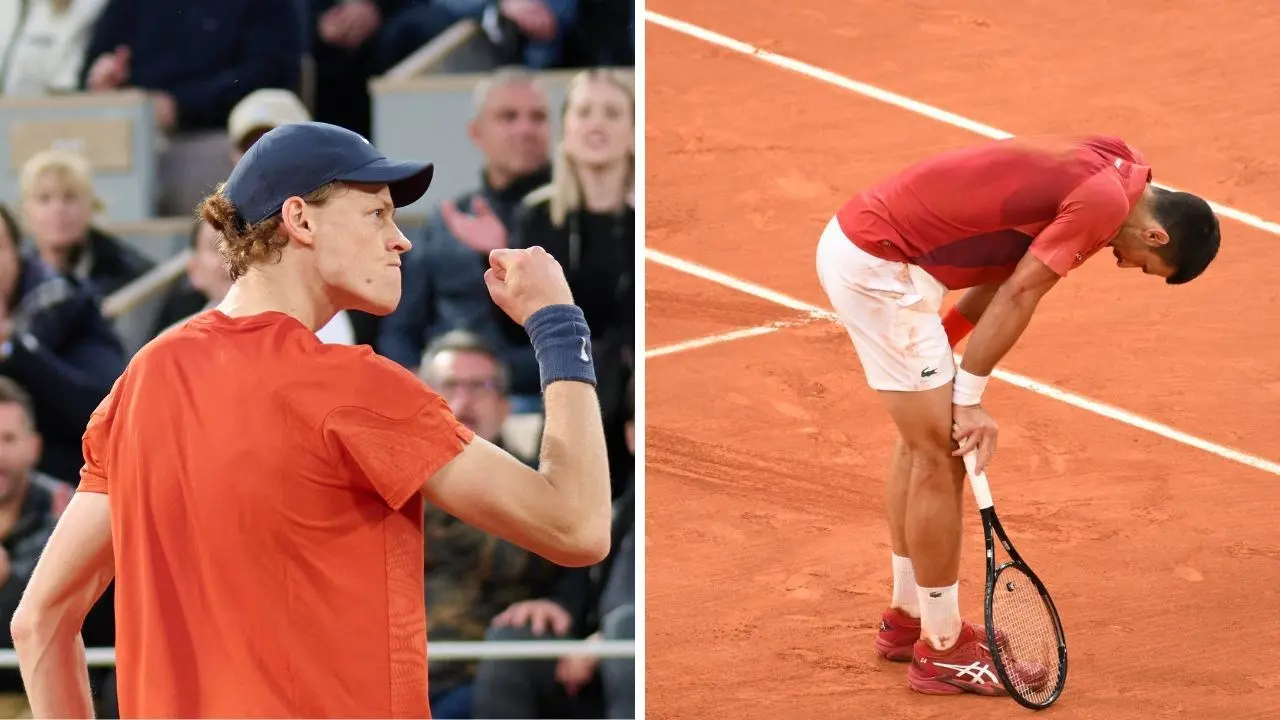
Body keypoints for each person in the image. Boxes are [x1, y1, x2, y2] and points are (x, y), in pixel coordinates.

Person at [10, 121, 614, 718]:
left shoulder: (144, 378)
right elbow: (577, 527)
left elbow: (40, 622)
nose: (400, 239)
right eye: (376, 214)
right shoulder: (353, 387)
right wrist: (557, 324)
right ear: (300, 220)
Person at [813, 134, 1220, 697]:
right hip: (883, 266)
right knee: (941, 456)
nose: (1127, 265)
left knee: (920, 443)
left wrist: (943, 349)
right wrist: (969, 398)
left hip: (872, 245)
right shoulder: (1102, 210)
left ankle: (911, 619)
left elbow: (1003, 271)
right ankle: (942, 652)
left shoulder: (1118, 169)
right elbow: (1020, 295)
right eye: (1145, 264)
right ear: (1157, 234)